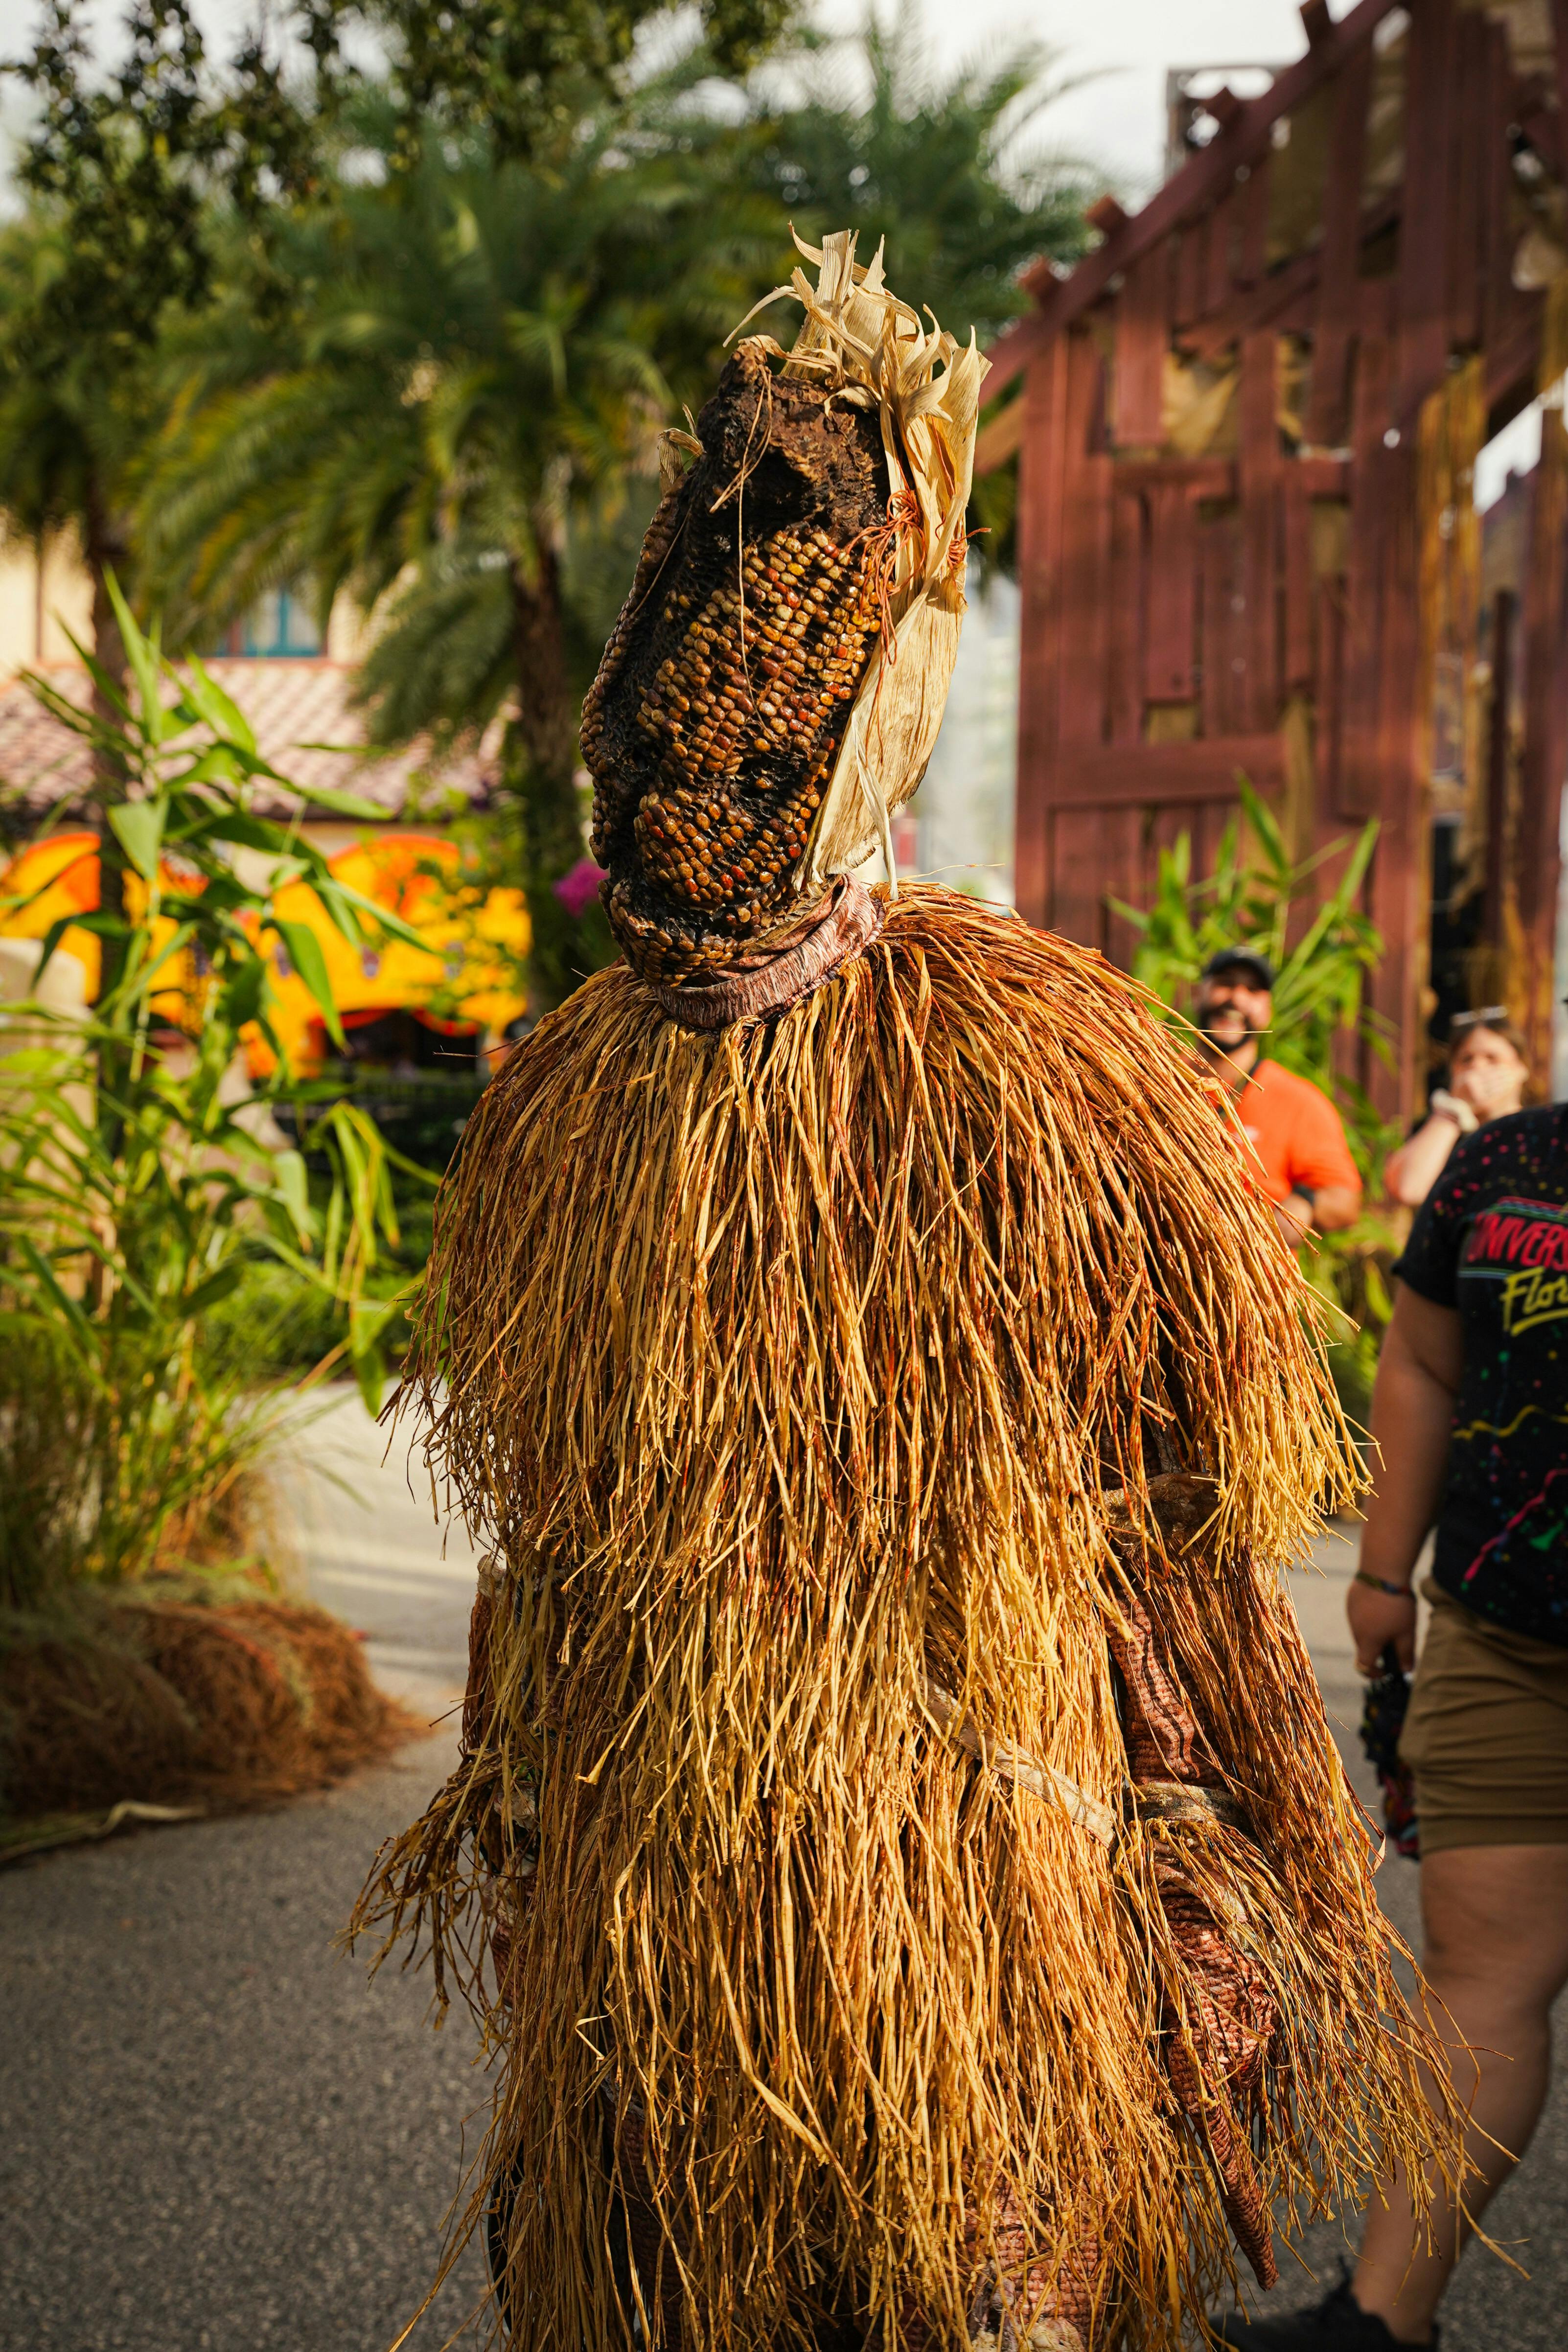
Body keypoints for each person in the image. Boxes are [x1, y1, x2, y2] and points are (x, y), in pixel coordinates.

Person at [355, 237, 1458, 2352]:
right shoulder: (570, 1098)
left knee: (982, 2279)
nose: (691, 795)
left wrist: (1207, 1831)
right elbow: (545, 1515)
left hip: (976, 1860)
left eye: (753, 735)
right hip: (664, 1892)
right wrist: (522, 1786)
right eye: (665, 738)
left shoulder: (1033, 1065)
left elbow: (1187, 1514)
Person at [1212, 1080, 1568, 2352]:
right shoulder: (1502, 1164)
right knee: (1480, 1984)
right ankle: (1379, 2324)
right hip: (1505, 1634)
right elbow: (1421, 1361)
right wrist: (1378, 1572)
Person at [1192, 947, 1364, 1245]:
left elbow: (1346, 1201)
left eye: (1253, 990)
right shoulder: (1158, 1081)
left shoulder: (1297, 1100)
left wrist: (1305, 1202)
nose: (1237, 998)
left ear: (1268, 1011)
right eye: (1225, 983)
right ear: (1198, 994)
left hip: (1249, 1269)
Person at [1384, 1007, 1532, 1209]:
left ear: (1521, 1069)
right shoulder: (1436, 1131)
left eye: (1492, 1058)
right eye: (1466, 1059)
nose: (1477, 1068)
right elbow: (1409, 1189)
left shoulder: (1537, 1133)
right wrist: (1454, 1110)